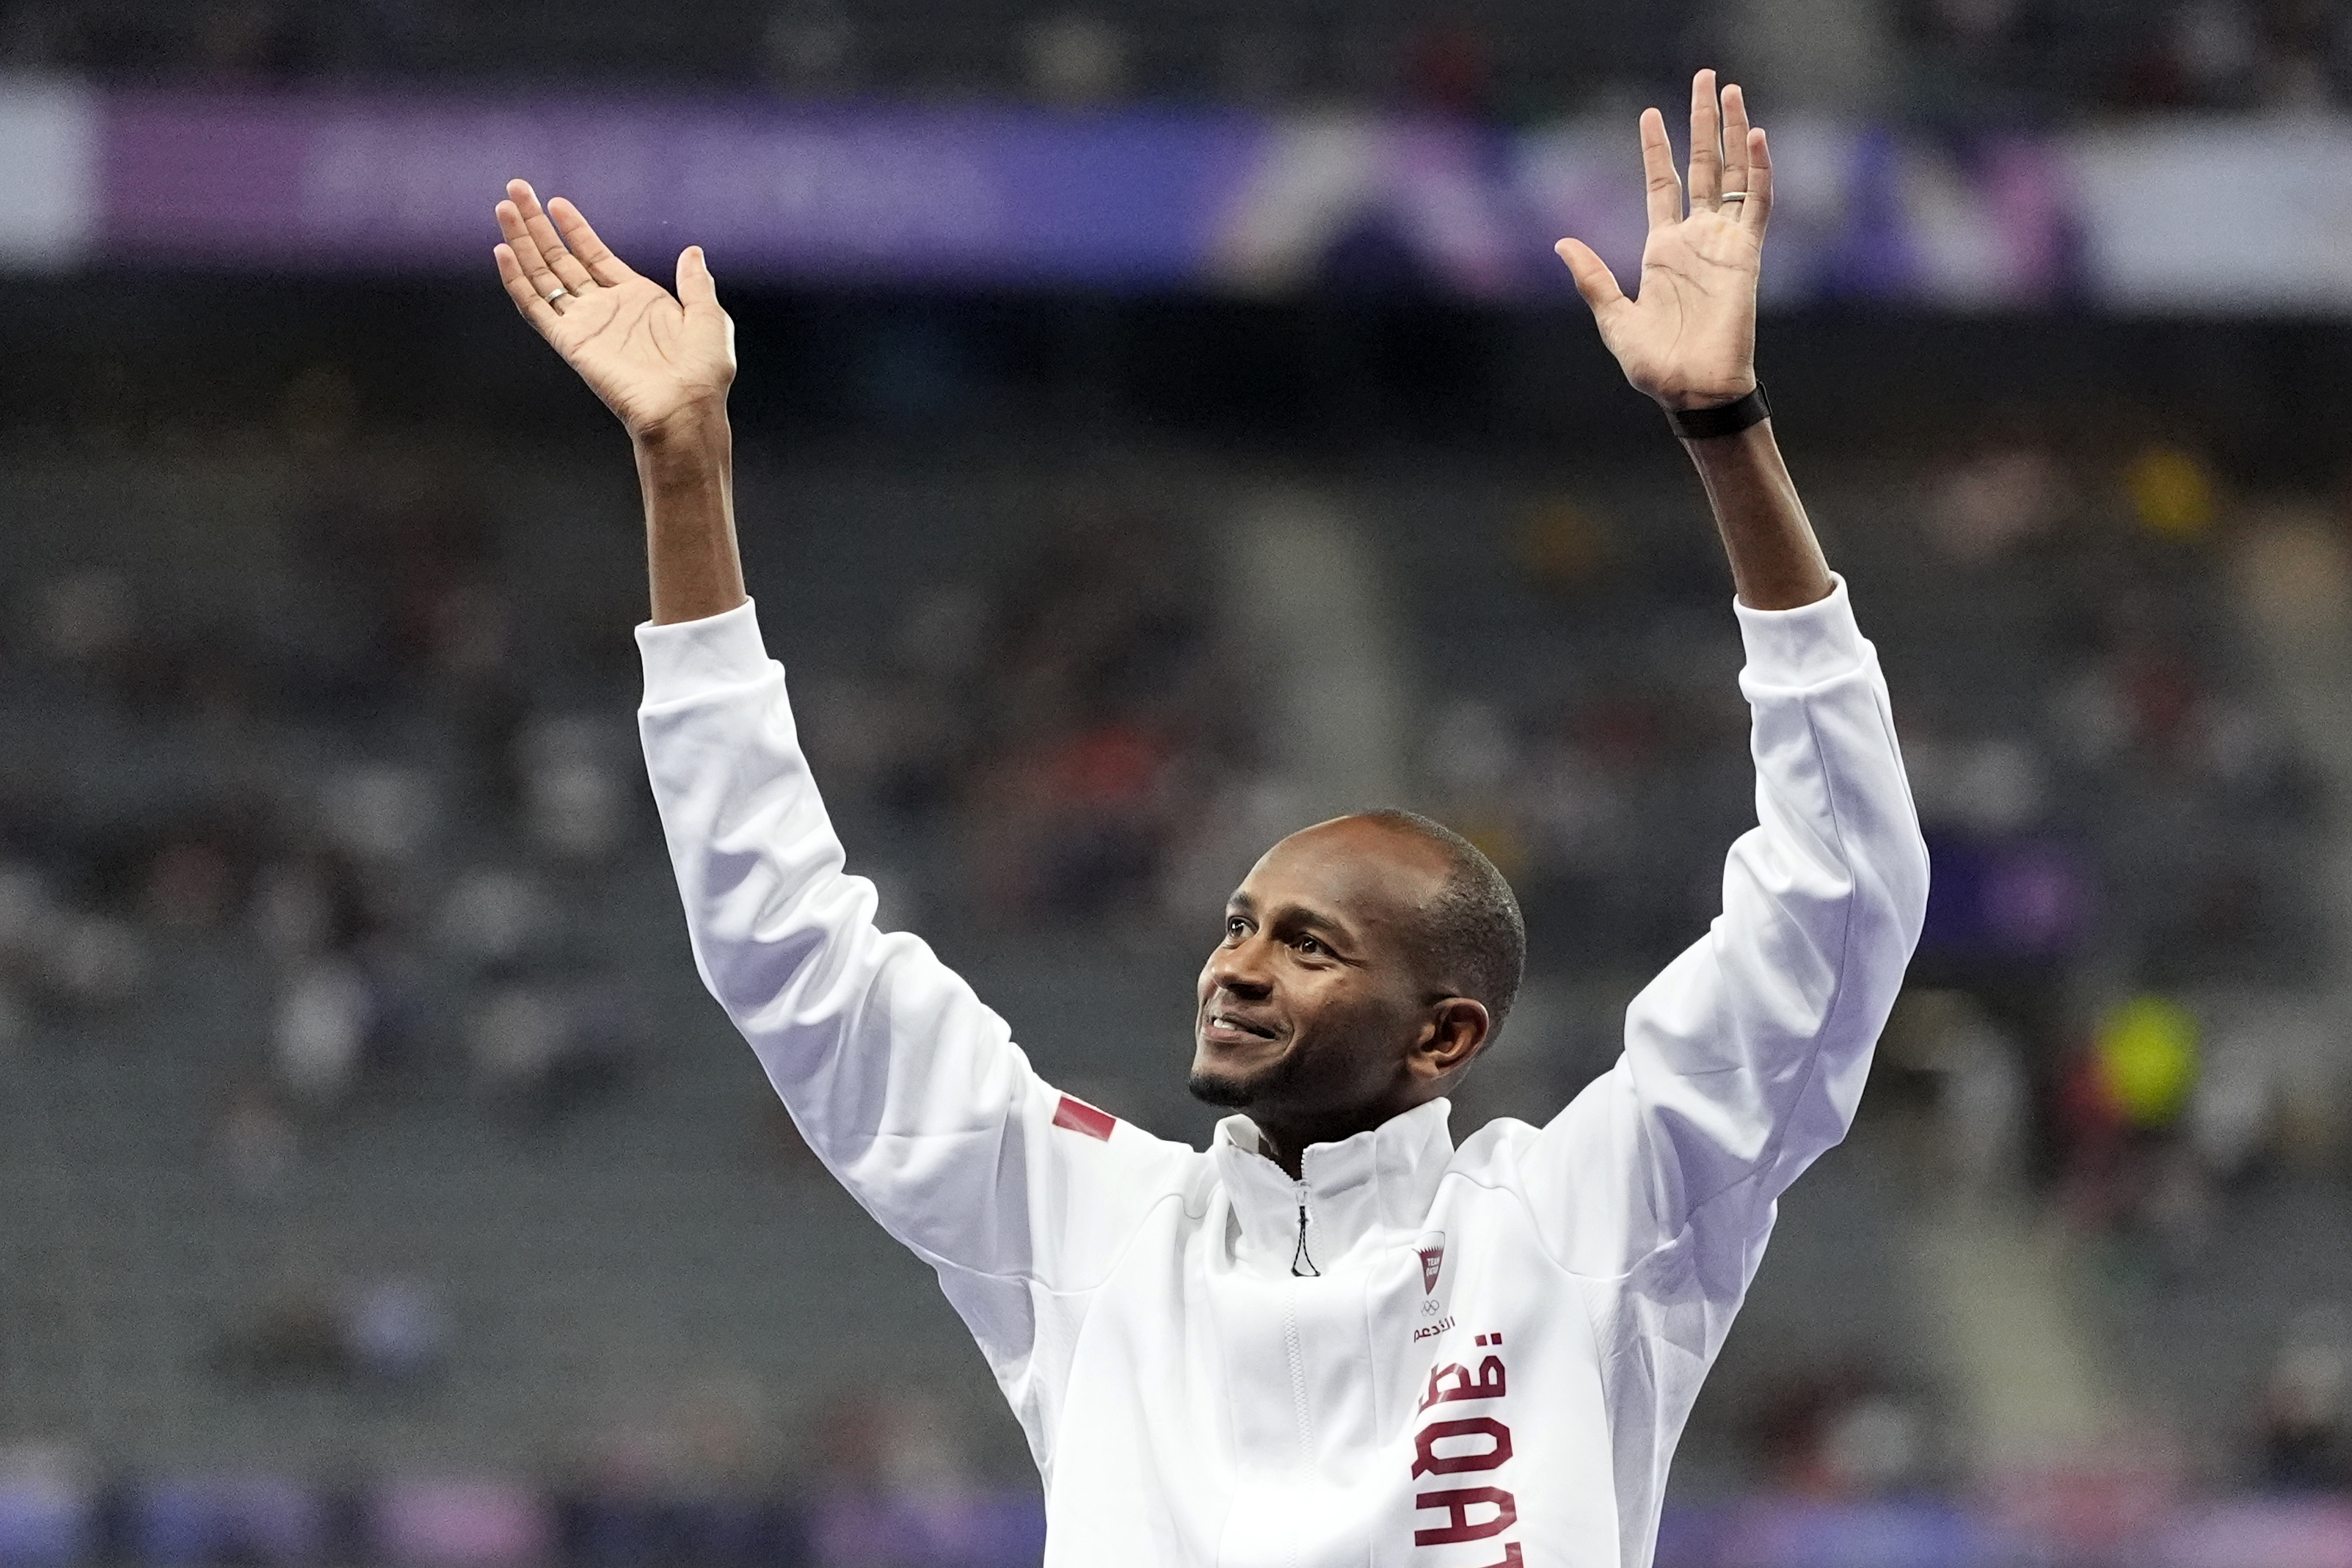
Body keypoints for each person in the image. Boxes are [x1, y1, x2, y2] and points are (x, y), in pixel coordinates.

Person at [491, 69, 1927, 1568]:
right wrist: (684, 474)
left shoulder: (1580, 1226)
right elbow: (787, 951)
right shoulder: (1097, 1234)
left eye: (1309, 945)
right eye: (1240, 923)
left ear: (1443, 1034)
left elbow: (1837, 901)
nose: (1234, 963)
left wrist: (1724, 427)